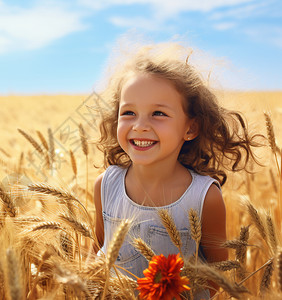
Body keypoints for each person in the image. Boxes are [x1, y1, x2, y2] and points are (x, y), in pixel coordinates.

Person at [92, 43, 261, 298]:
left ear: (190, 129)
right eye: (128, 112)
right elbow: (98, 251)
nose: (139, 126)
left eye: (158, 113)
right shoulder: (106, 185)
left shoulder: (204, 197)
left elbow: (216, 275)